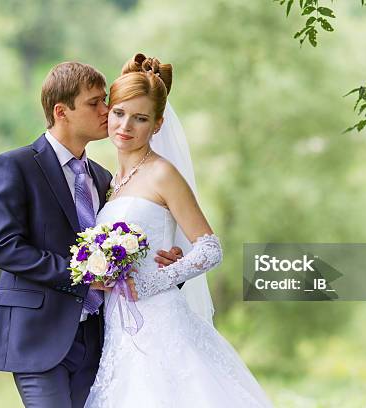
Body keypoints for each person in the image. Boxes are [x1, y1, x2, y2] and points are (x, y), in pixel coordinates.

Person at [0, 61, 183, 408]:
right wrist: (83, 275)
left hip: (99, 338)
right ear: (62, 112)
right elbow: (4, 248)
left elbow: (125, 249)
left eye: (105, 100)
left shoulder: (105, 177)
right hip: (38, 335)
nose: (107, 111)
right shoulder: (15, 165)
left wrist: (167, 268)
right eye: (95, 103)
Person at [84, 53, 272, 407]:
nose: (125, 126)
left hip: (159, 318)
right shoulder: (111, 183)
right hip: (118, 326)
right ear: (108, 112)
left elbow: (209, 248)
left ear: (157, 125)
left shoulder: (162, 173)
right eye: (119, 113)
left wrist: (152, 282)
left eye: (140, 119)